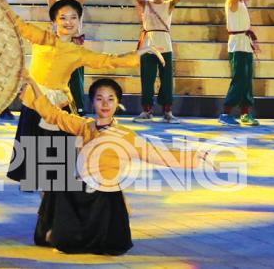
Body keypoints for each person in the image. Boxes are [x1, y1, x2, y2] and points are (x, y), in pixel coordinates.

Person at [20, 78, 197, 256]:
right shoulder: (85, 126)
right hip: (81, 191)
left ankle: (76, 232)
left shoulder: (125, 136)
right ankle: (64, 230)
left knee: (80, 234)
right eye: (99, 99)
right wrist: (33, 84)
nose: (105, 104)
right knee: (57, 183)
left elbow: (157, 154)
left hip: (104, 196)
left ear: (117, 103)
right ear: (93, 102)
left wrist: (195, 157)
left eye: (110, 99)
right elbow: (53, 114)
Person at [6, 0, 151, 189]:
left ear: (79, 21)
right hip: (34, 101)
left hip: (58, 106)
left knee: (56, 155)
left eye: (73, 17)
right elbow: (19, 25)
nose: (68, 22)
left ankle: (54, 197)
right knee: (32, 152)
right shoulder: (41, 38)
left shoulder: (78, 52)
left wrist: (137, 54)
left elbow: (108, 60)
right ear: (54, 21)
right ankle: (38, 195)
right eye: (63, 18)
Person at [133, 0, 186, 122]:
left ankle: (167, 112)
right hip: (148, 45)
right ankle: (147, 111)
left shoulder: (169, 4)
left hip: (165, 46)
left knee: (166, 80)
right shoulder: (146, 3)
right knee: (147, 79)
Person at [219, 0, 260, 126]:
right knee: (239, 79)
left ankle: (245, 113)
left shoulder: (242, 2)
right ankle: (225, 113)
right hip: (237, 46)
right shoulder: (232, 1)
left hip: (245, 44)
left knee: (246, 80)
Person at [49, 0, 94, 113]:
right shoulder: (55, 5)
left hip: (75, 44)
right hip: (60, 45)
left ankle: (79, 109)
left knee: (76, 78)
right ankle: (57, 108)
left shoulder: (76, 3)